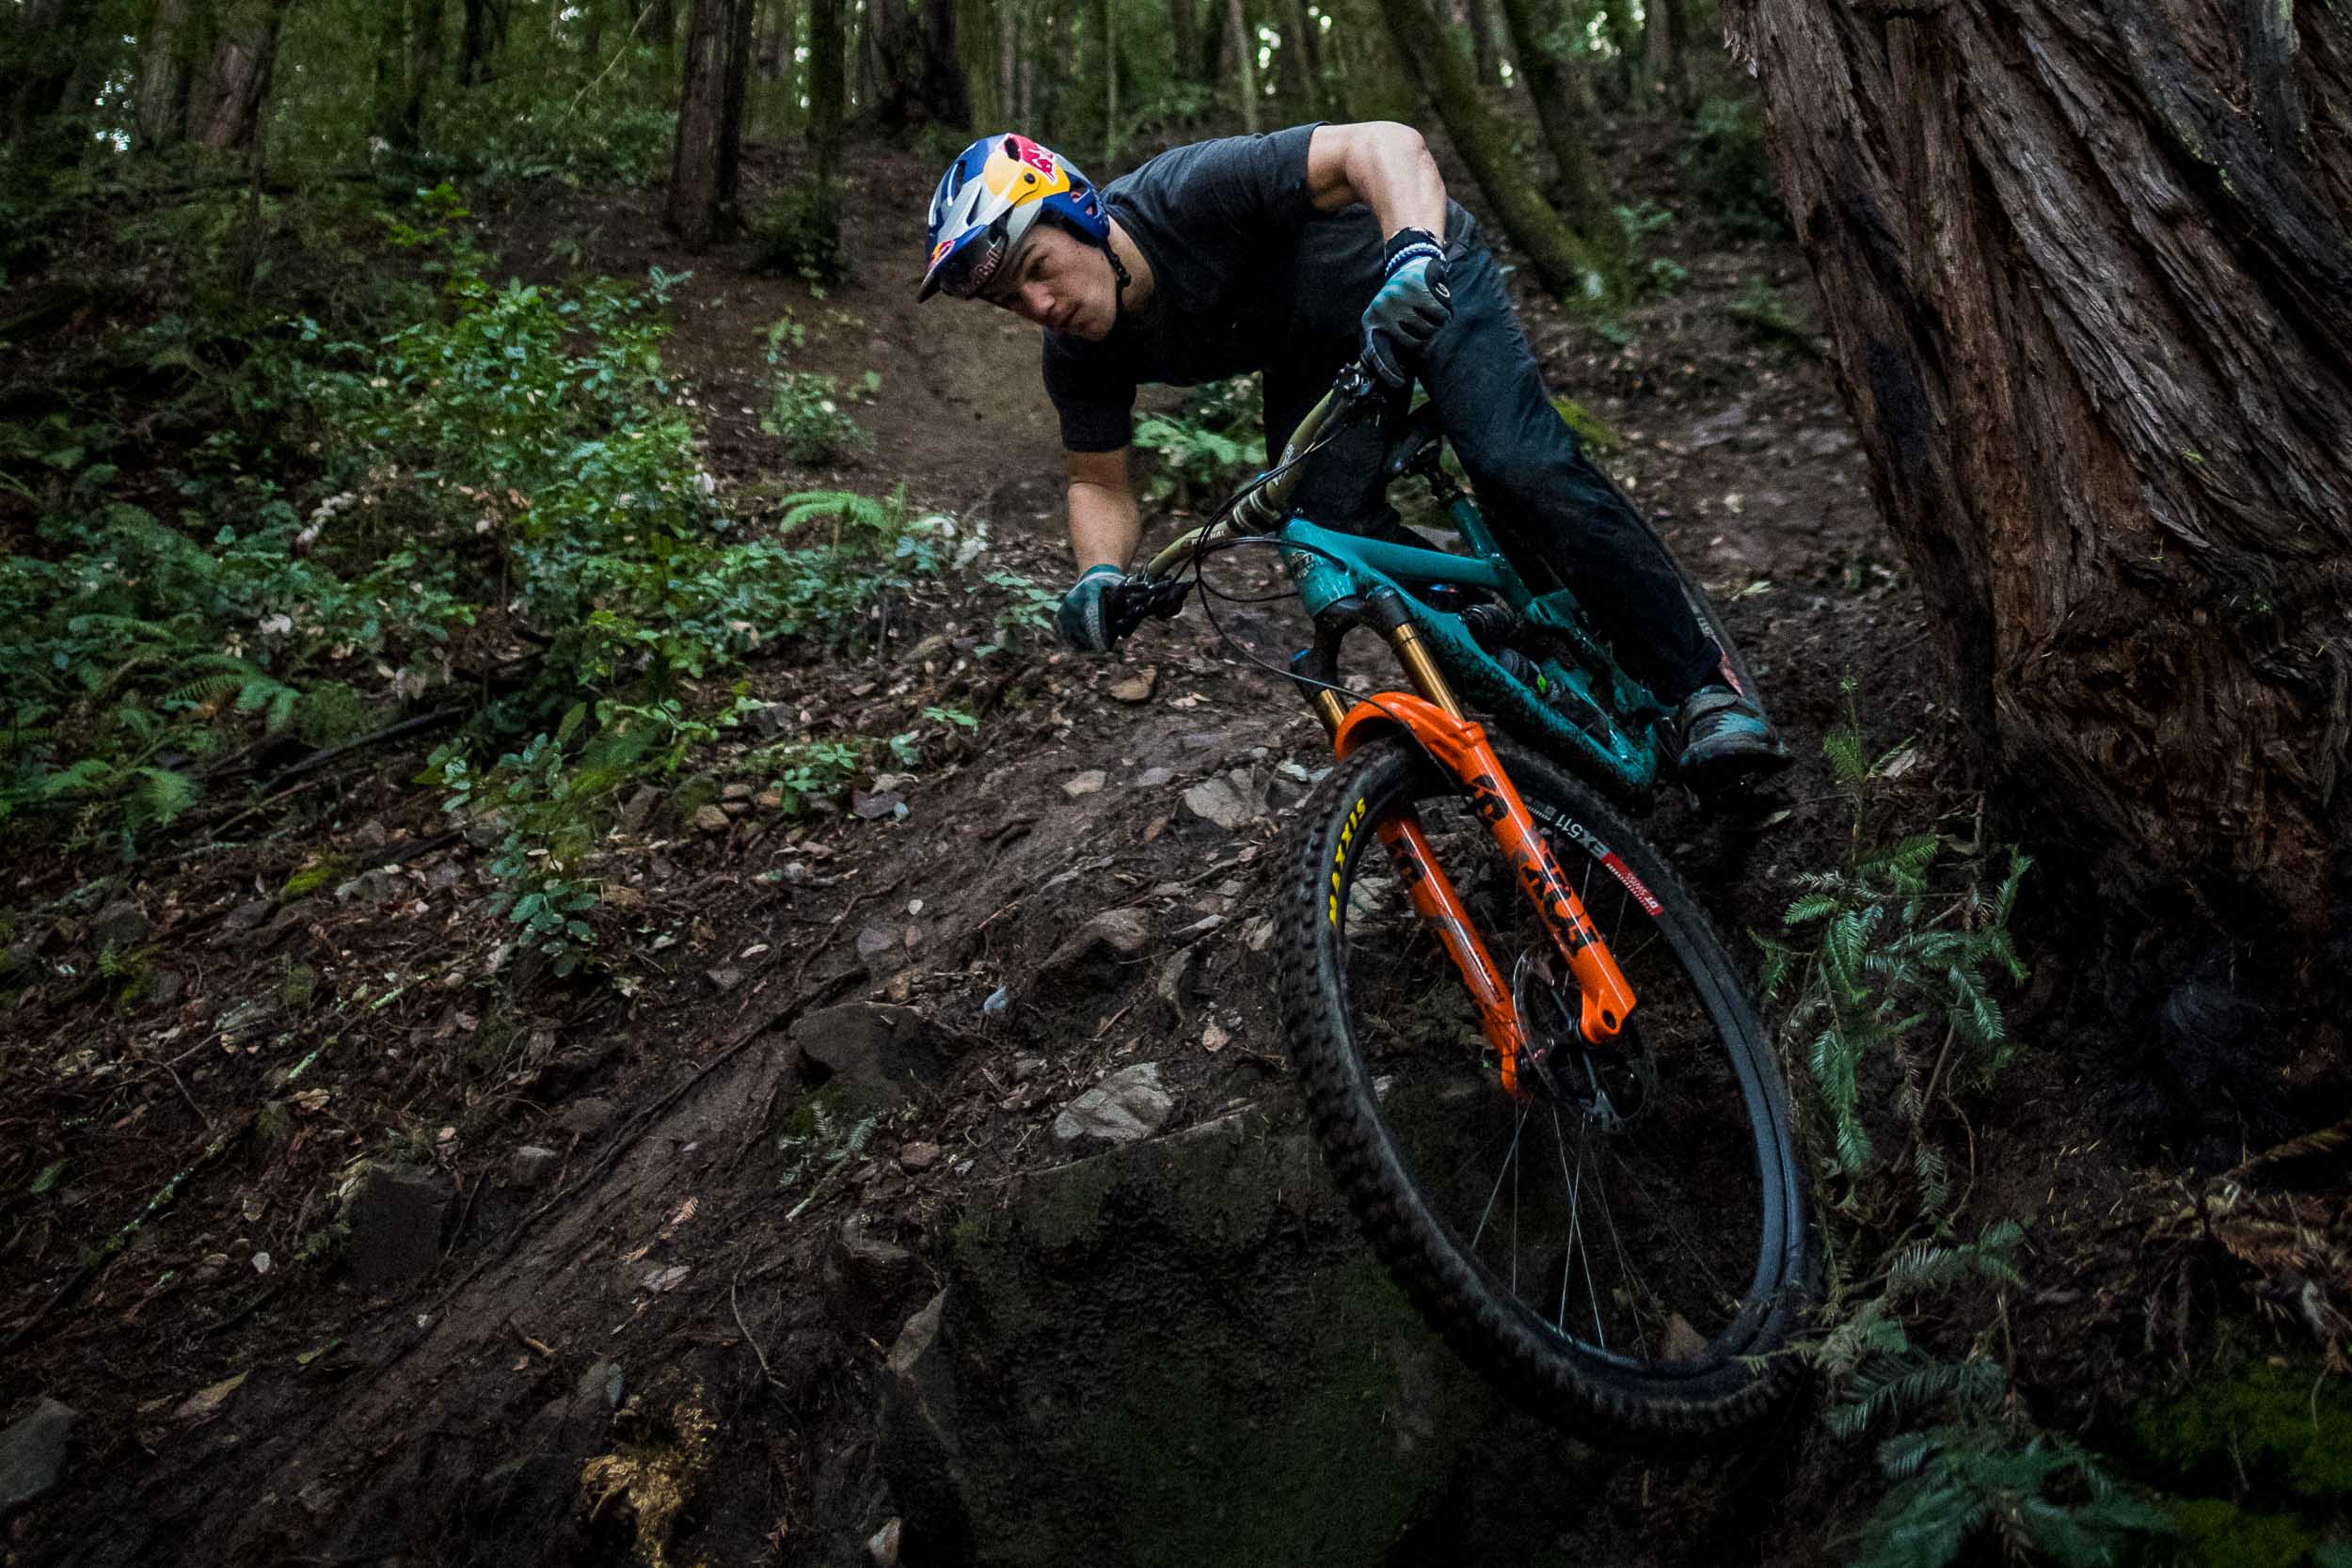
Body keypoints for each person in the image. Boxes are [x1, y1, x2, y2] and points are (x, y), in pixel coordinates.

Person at [915, 122, 1786, 783]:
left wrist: (1414, 256)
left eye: (1038, 268)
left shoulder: (1188, 193)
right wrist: (1099, 575)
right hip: (1319, 350)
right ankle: (1510, 650)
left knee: (1514, 463)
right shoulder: (1078, 351)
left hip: (1420, 274)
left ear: (1080, 213)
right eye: (1010, 300)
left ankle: (1700, 687)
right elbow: (1096, 480)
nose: (1038, 305)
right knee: (1322, 533)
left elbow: (1387, 144)